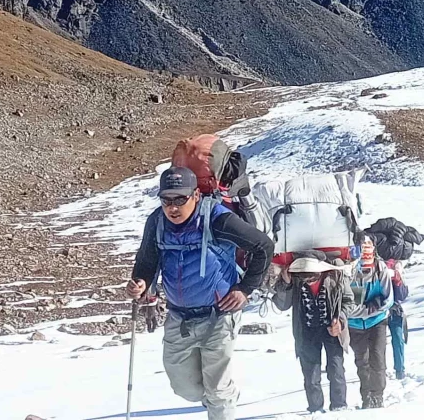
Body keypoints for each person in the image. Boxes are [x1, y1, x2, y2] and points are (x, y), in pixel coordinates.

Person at [129, 166, 274, 420]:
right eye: (166, 200)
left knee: (217, 389)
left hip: (219, 314)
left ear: (196, 195)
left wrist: (245, 289)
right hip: (179, 317)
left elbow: (263, 246)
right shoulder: (157, 221)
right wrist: (141, 282)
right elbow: (146, 260)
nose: (172, 207)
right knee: (185, 388)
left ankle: (222, 399)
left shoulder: (218, 219)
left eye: (180, 199)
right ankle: (220, 397)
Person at [271, 255, 351, 413]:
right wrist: (286, 283)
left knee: (336, 369)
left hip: (331, 328)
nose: (308, 281)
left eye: (312, 277)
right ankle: (315, 408)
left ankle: (339, 406)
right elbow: (283, 305)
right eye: (304, 278)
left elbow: (349, 300)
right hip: (306, 330)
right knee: (311, 373)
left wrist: (340, 320)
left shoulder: (335, 274)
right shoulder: (294, 278)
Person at [344, 238, 398, 408]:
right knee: (362, 362)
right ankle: (366, 397)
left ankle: (377, 396)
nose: (366, 264)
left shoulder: (381, 269)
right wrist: (367, 309)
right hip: (355, 325)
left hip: (377, 322)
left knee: (378, 360)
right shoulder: (350, 272)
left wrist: (368, 310)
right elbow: (348, 306)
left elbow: (388, 300)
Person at [385, 258, 410, 380]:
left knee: (398, 338)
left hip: (394, 310)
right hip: (378, 311)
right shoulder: (375, 266)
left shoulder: (397, 267)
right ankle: (378, 369)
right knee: (376, 342)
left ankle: (400, 369)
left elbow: (402, 295)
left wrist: (398, 280)